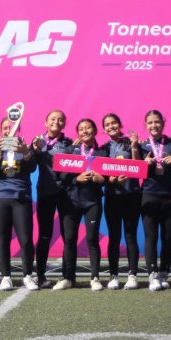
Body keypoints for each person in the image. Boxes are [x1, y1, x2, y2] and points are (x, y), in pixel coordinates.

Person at [54, 119, 108, 291]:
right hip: (71, 201)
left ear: (95, 130)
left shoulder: (102, 152)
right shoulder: (71, 150)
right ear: (78, 133)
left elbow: (110, 175)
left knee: (92, 240)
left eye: (88, 128)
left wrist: (103, 181)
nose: (85, 131)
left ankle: (95, 278)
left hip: (92, 202)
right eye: (81, 129)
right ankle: (68, 278)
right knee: (69, 240)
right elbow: (59, 173)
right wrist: (75, 179)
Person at [0, 134, 39, 291]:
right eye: (5, 130)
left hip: (21, 198)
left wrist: (26, 152)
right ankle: (6, 277)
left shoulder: (25, 149)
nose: (8, 134)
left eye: (11, 131)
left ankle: (28, 276)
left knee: (25, 239)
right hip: (0, 198)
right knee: (3, 239)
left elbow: (31, 168)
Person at [138, 110, 171, 292]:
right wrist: (143, 164)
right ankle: (152, 274)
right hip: (149, 195)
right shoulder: (140, 146)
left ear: (163, 123)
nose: (153, 125)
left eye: (157, 122)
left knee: (167, 237)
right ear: (145, 125)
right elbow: (135, 172)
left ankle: (164, 273)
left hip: (169, 195)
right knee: (151, 237)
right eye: (150, 123)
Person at [31, 110, 74, 288]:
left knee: (67, 236)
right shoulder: (38, 141)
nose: (56, 122)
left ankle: (68, 277)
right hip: (46, 193)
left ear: (64, 124)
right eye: (53, 119)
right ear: (45, 123)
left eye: (60, 119)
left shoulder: (70, 143)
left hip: (66, 194)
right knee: (44, 235)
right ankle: (40, 276)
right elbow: (31, 166)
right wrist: (35, 151)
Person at [99, 113, 141, 290]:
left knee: (130, 236)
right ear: (104, 129)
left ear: (120, 124)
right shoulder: (103, 148)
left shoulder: (129, 142)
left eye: (114, 123)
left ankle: (132, 275)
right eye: (107, 125)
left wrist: (134, 146)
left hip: (132, 195)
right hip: (112, 196)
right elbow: (100, 173)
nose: (111, 126)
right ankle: (114, 276)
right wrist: (113, 181)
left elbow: (139, 167)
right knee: (114, 237)